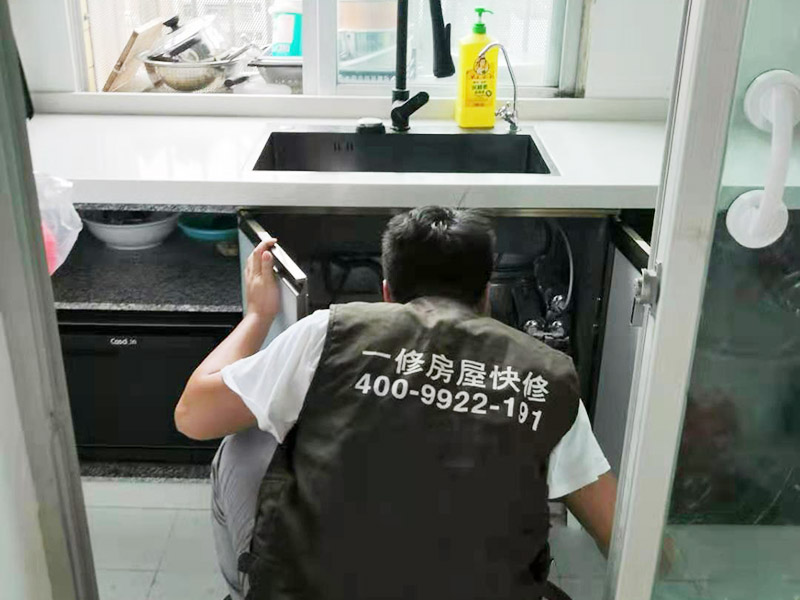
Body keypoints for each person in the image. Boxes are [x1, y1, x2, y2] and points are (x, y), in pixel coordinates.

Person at [175, 206, 617, 600]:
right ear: (485, 297)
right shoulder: (545, 378)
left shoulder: (328, 332)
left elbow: (193, 416)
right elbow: (618, 531)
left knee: (244, 441)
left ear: (386, 293)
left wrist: (258, 315)